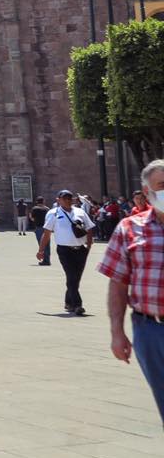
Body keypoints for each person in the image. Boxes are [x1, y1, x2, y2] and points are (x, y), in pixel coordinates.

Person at [97, 160, 164, 424]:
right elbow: (118, 284)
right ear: (147, 192)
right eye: (162, 185)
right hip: (151, 330)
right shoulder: (129, 229)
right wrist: (117, 332)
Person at [37, 189, 95, 316]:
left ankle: (68, 301)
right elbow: (46, 233)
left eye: (69, 198)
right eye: (64, 198)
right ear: (58, 200)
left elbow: (90, 228)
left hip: (81, 249)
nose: (67, 200)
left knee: (76, 278)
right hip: (64, 250)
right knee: (71, 276)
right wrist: (41, 250)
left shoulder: (80, 212)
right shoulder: (53, 213)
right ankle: (77, 305)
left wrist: (88, 245)